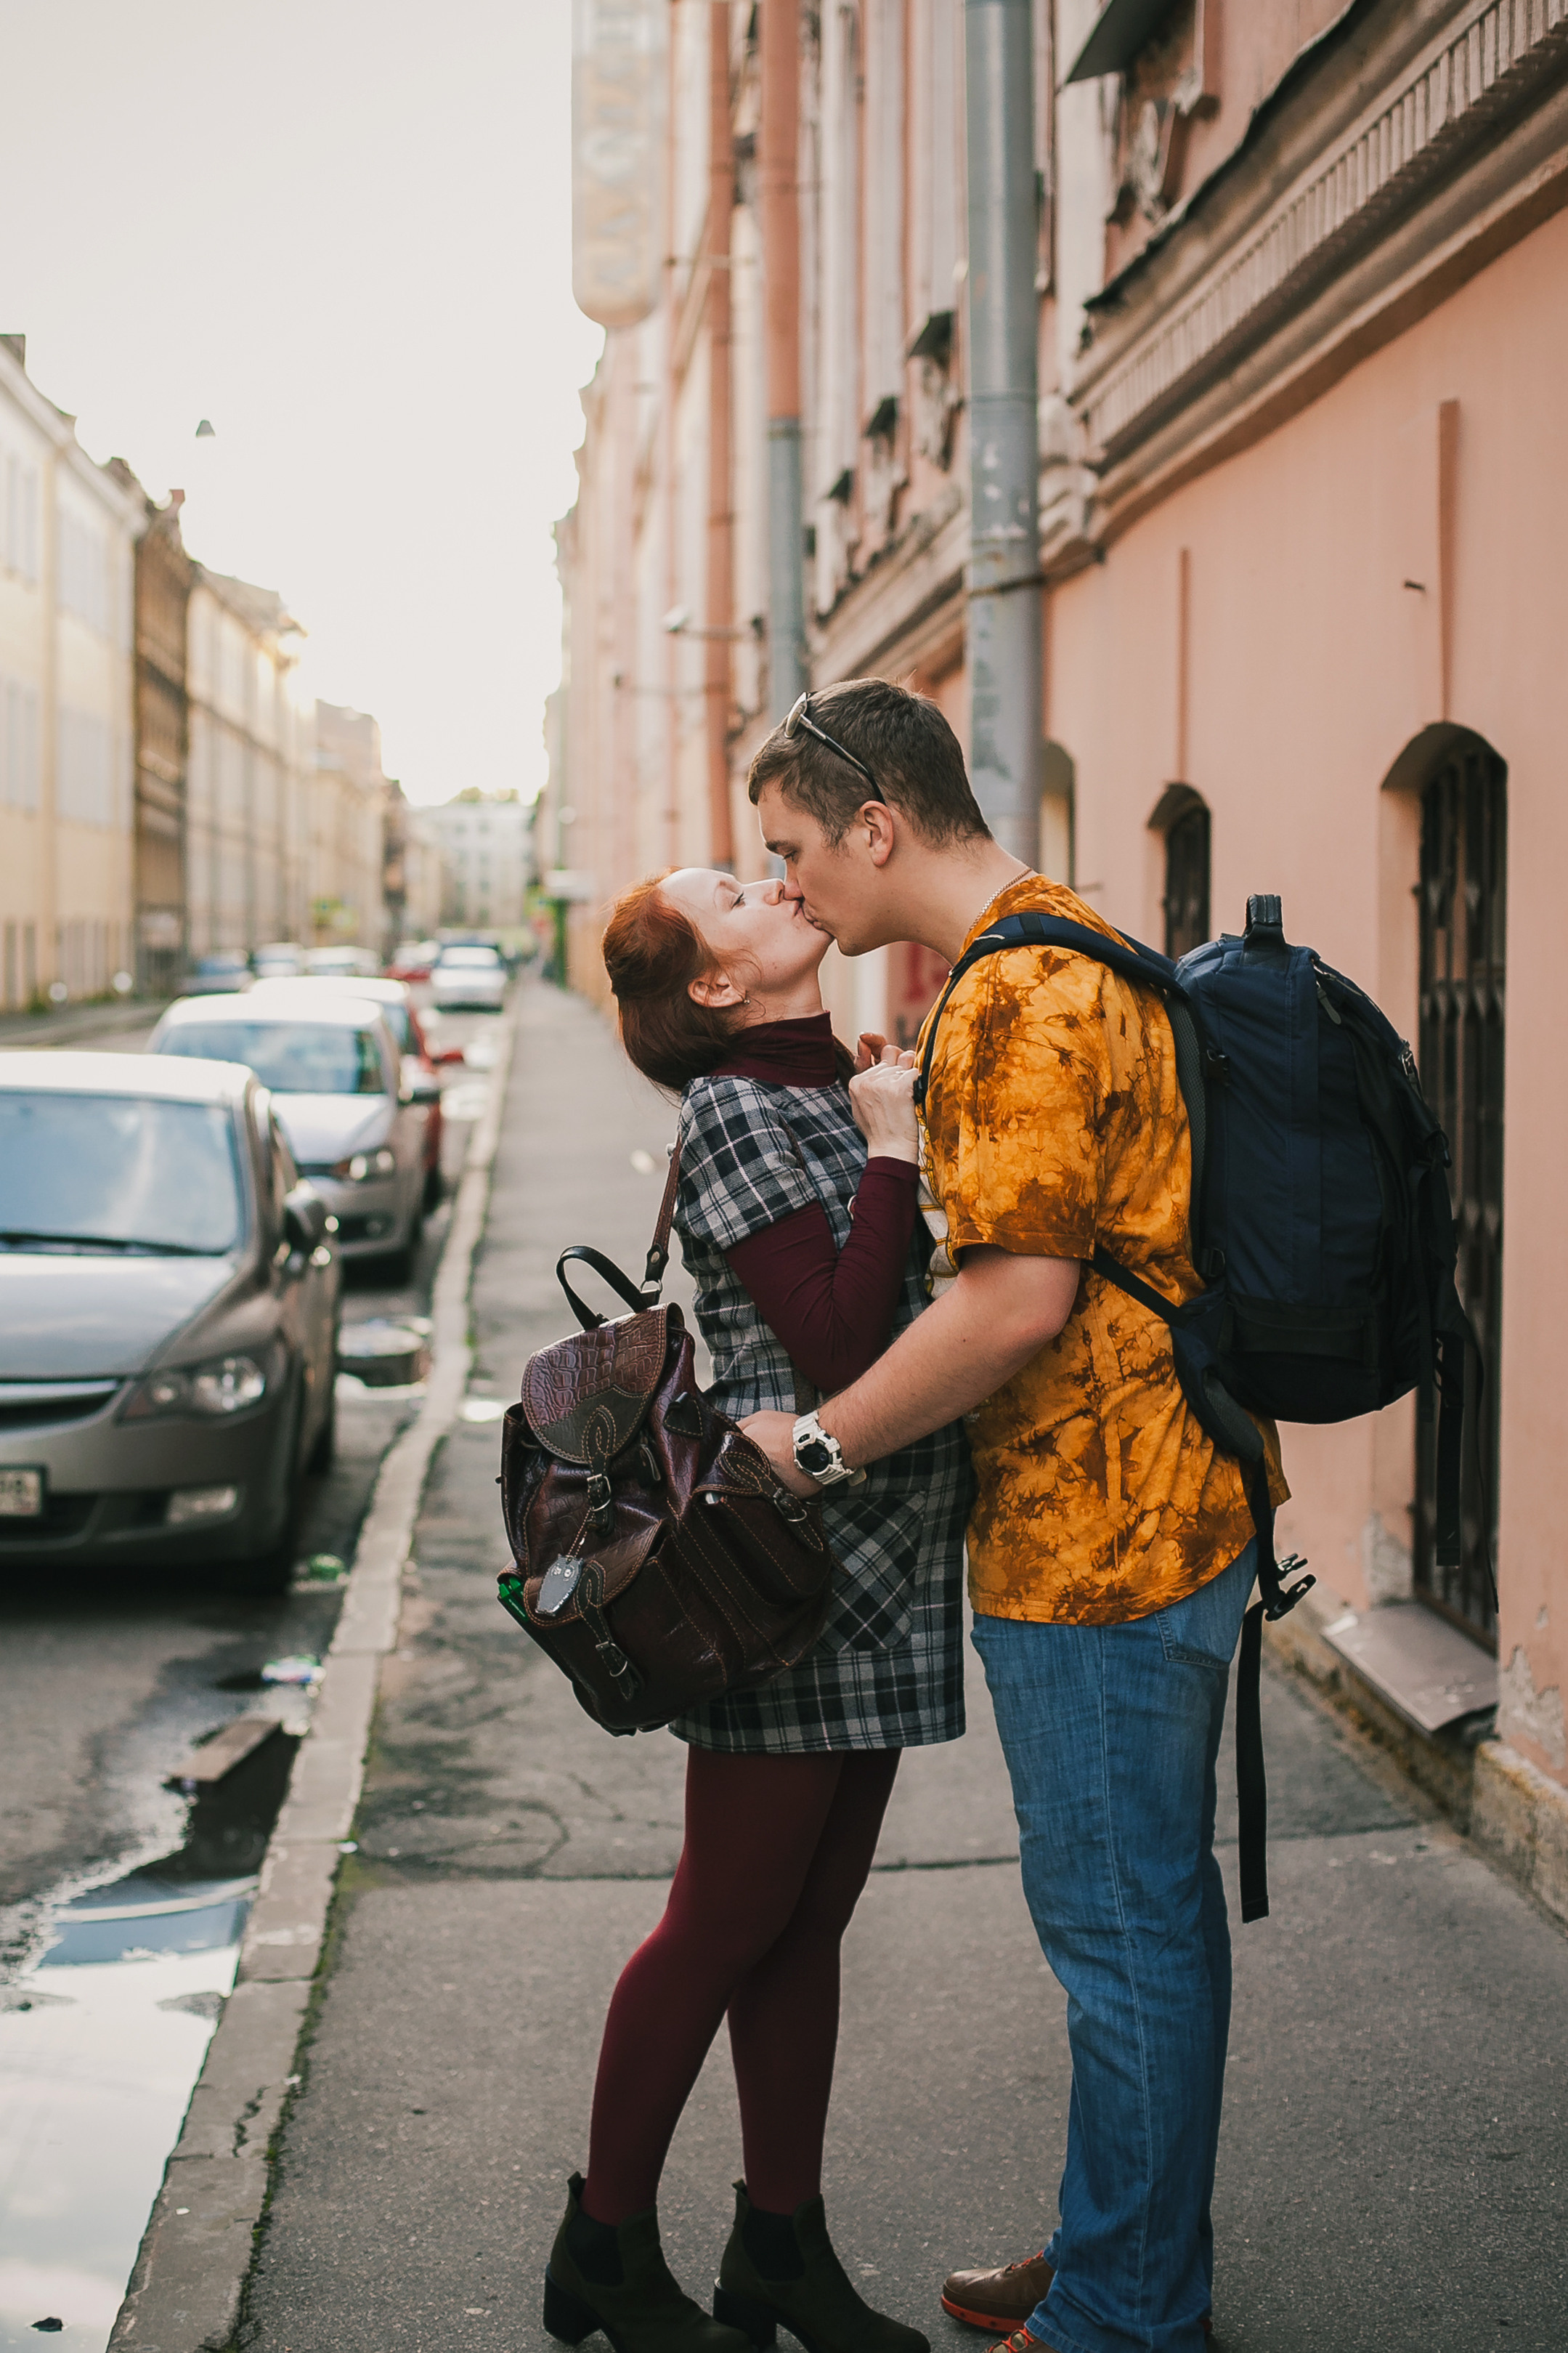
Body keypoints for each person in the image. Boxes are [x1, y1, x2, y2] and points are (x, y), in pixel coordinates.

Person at [738, 679, 1288, 2353]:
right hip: (1145, 1510)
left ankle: (1130, 2318)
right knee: (1138, 1928)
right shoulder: (1055, 946)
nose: (782, 890)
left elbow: (1012, 1306)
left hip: (1105, 1538)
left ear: (878, 827)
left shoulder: (1018, 999)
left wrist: (811, 1450)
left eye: (791, 851)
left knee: (1122, 1940)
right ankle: (1121, 2253)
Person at [543, 864, 973, 2353]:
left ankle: (779, 2247)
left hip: (880, 1557)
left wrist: (881, 1127)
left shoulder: (821, 1088)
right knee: (722, 1919)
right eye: (733, 889)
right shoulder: (739, 1105)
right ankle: (603, 2243)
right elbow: (841, 1329)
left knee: (807, 1924)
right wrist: (896, 1147)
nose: (775, 878)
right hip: (784, 1571)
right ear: (717, 984)